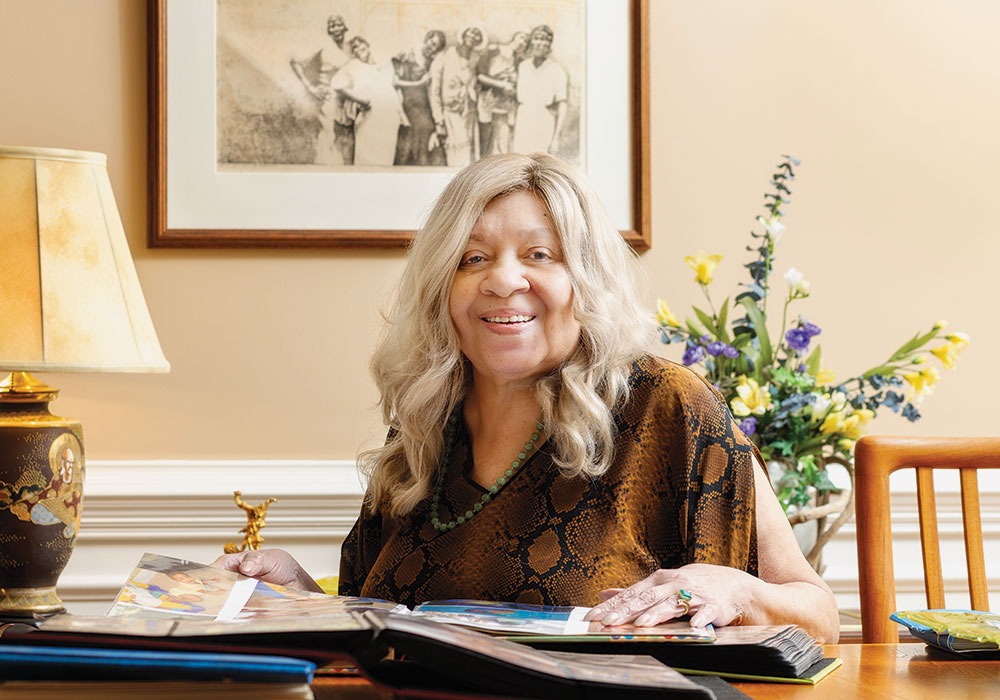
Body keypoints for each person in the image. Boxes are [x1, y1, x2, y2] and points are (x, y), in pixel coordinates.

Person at [212, 153, 840, 643]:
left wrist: (737, 590)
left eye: (540, 254)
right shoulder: (424, 429)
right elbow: (378, 627)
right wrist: (295, 597)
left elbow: (818, 616)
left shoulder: (667, 406)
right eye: (471, 258)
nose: (503, 279)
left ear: (585, 281)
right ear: (442, 290)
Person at [290, 14, 355, 165]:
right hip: (329, 99)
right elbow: (295, 62)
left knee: (347, 139)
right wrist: (310, 87)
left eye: (339, 24)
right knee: (330, 137)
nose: (336, 28)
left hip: (349, 100)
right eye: (332, 25)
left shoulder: (350, 48)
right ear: (328, 30)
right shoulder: (323, 47)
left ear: (344, 27)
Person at [330, 36, 402, 166]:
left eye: (359, 44)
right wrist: (360, 100)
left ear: (368, 45)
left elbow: (394, 87)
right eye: (354, 48)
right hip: (369, 117)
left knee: (386, 157)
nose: (358, 49)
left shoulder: (382, 66)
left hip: (389, 117)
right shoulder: (353, 65)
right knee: (366, 157)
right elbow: (336, 85)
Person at [430, 26, 485, 167]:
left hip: (469, 111)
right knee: (455, 149)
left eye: (477, 34)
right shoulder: (446, 55)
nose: (473, 36)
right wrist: (439, 121)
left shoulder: (475, 58)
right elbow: (434, 90)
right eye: (471, 32)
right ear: (464, 33)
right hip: (450, 111)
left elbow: (476, 84)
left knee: (469, 151)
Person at [392, 30, 447, 166]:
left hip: (425, 108)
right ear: (426, 39)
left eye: (436, 47)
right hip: (409, 106)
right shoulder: (407, 55)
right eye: (432, 43)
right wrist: (419, 83)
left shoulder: (432, 62)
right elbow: (395, 83)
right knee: (406, 148)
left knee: (427, 148)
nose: (432, 48)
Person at [512, 25, 568, 155]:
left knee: (540, 165)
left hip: (543, 122)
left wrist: (556, 138)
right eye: (536, 38)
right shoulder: (523, 66)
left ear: (549, 44)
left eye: (544, 39)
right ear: (531, 42)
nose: (539, 43)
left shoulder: (556, 70)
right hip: (522, 121)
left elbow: (562, 105)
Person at [476, 31, 529, 156]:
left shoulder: (519, 61)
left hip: (506, 106)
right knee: (487, 142)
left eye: (526, 42)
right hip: (488, 102)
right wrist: (502, 85)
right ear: (514, 36)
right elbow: (480, 76)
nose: (522, 42)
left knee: (503, 144)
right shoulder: (493, 50)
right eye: (522, 37)